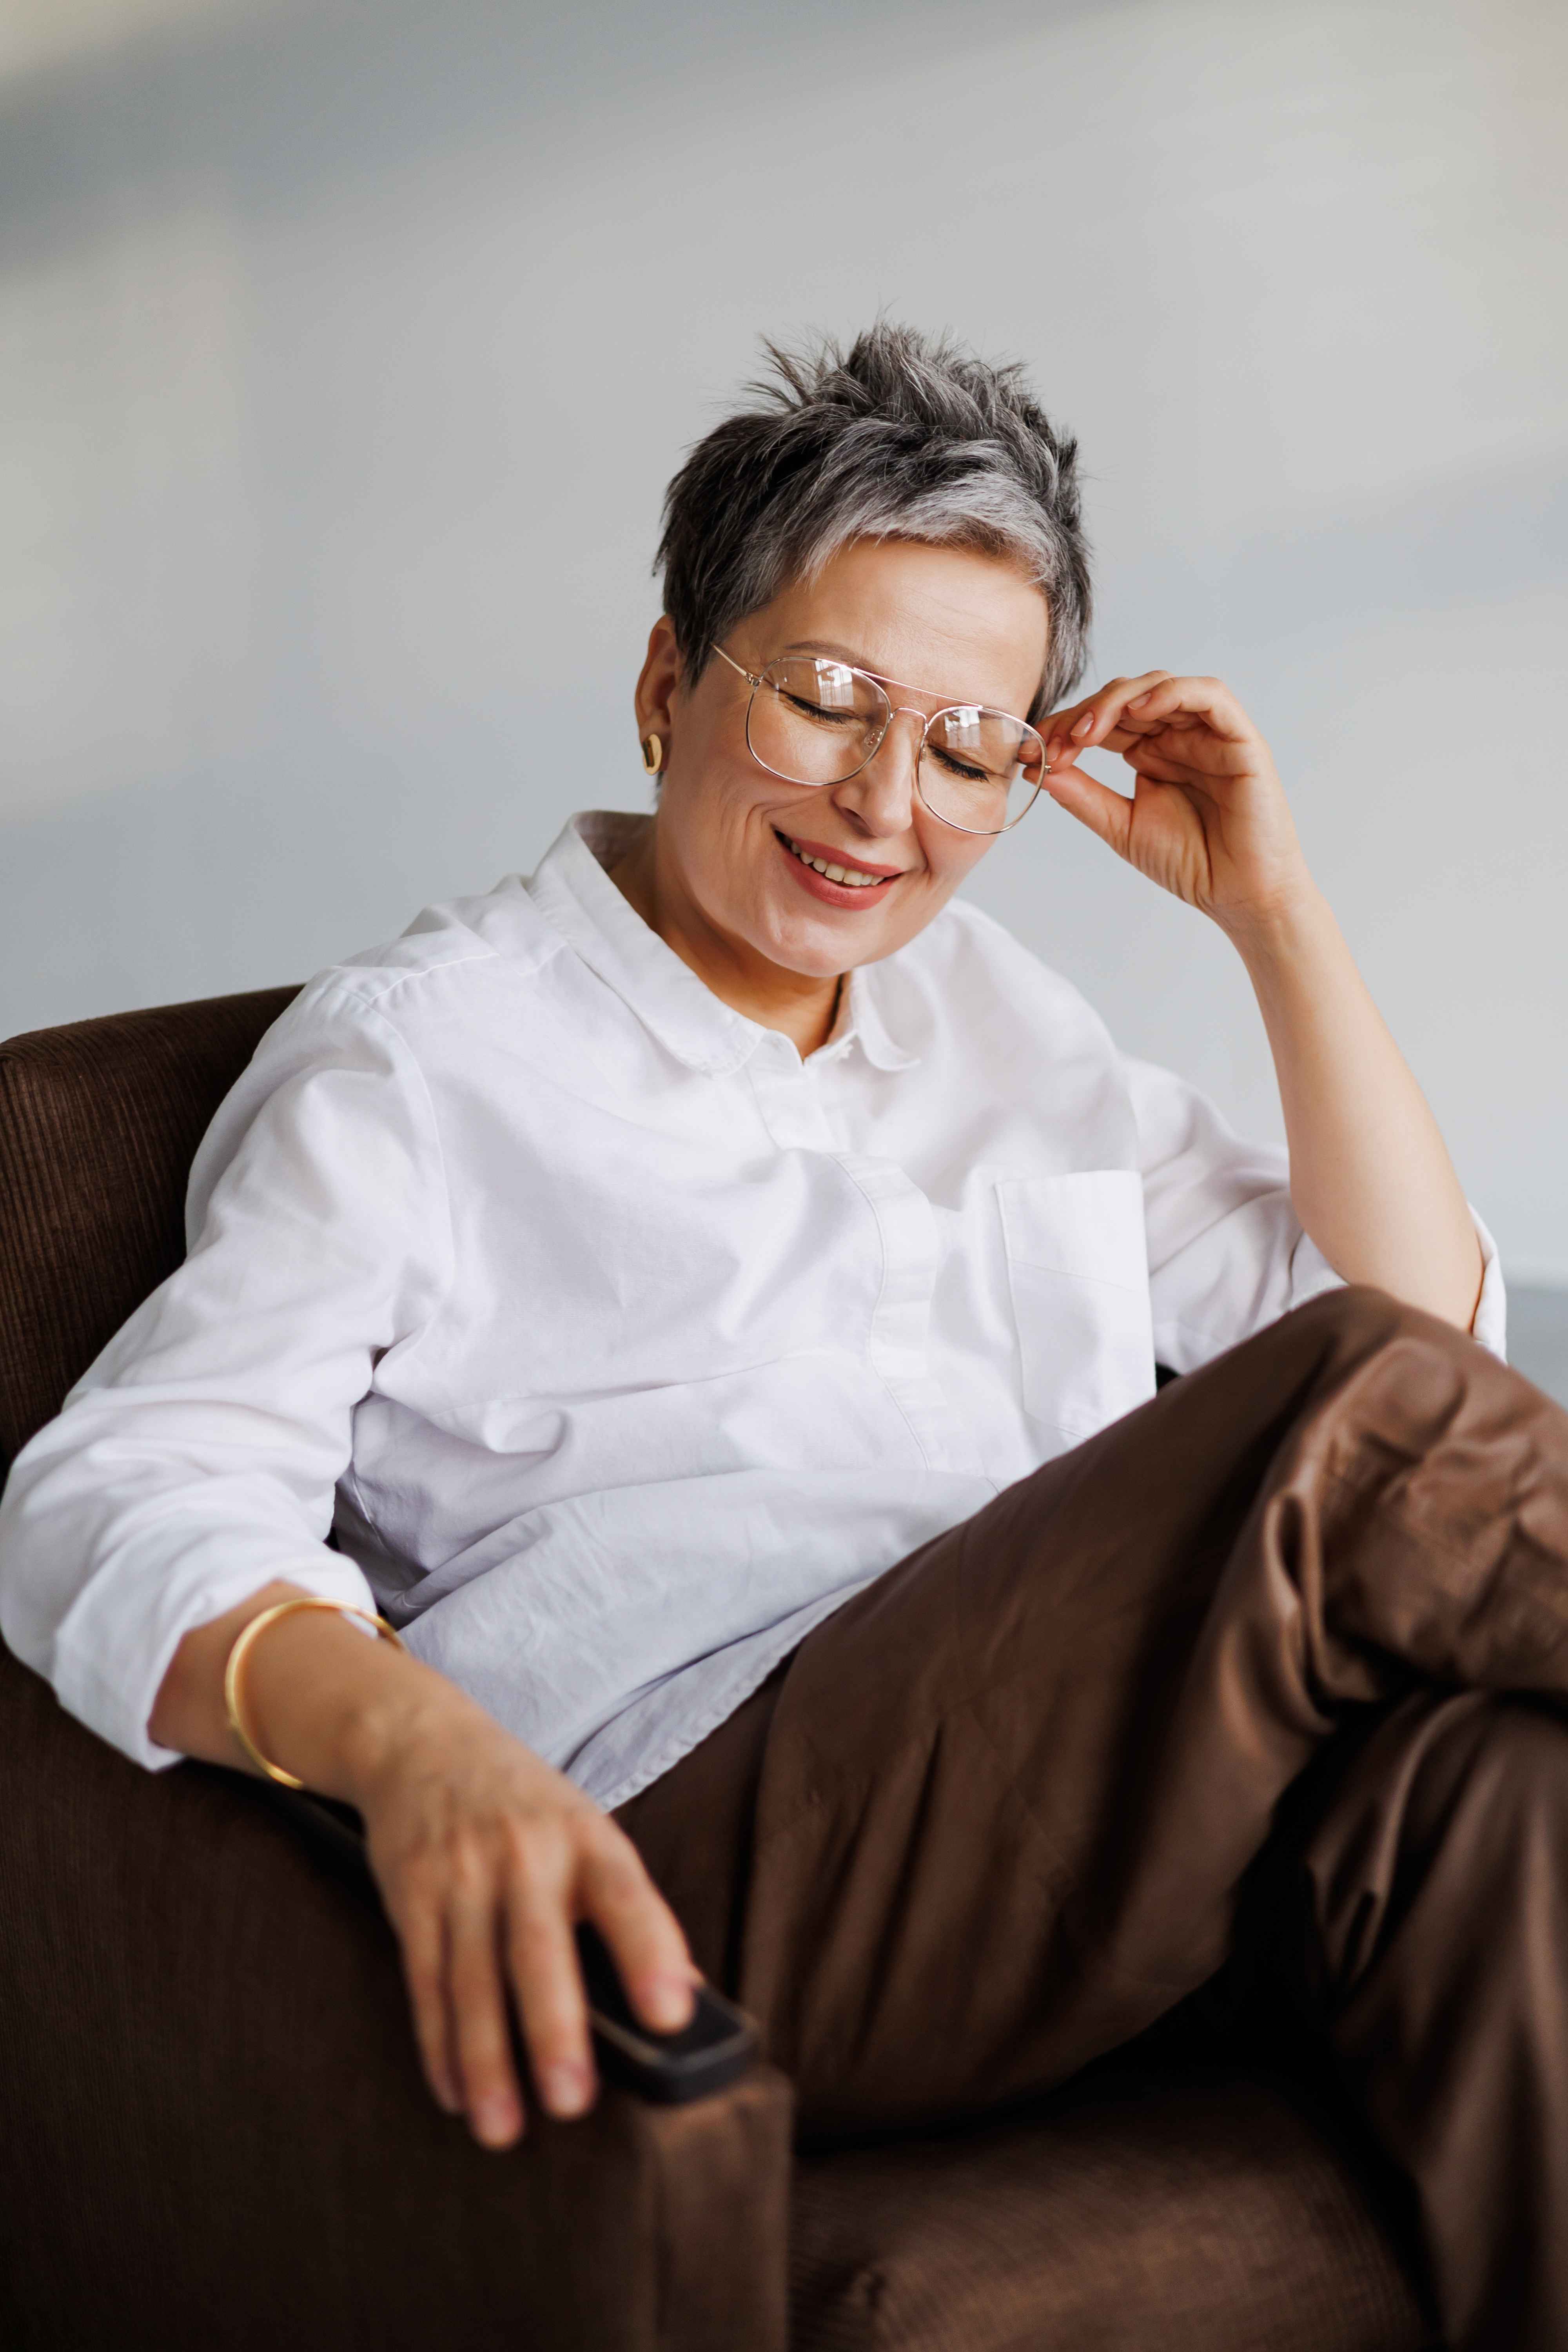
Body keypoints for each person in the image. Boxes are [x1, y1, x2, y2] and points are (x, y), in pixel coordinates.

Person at [1, 323, 1562, 2351]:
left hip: (1081, 1819)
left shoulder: (989, 1019)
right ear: (668, 685)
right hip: (723, 1846)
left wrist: (1276, 918)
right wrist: (415, 1760)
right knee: (1361, 1430)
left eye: (967, 749)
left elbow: (1402, 1313)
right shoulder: (425, 1063)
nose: (883, 805)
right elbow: (122, 1492)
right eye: (827, 702)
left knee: (1491, 1798)